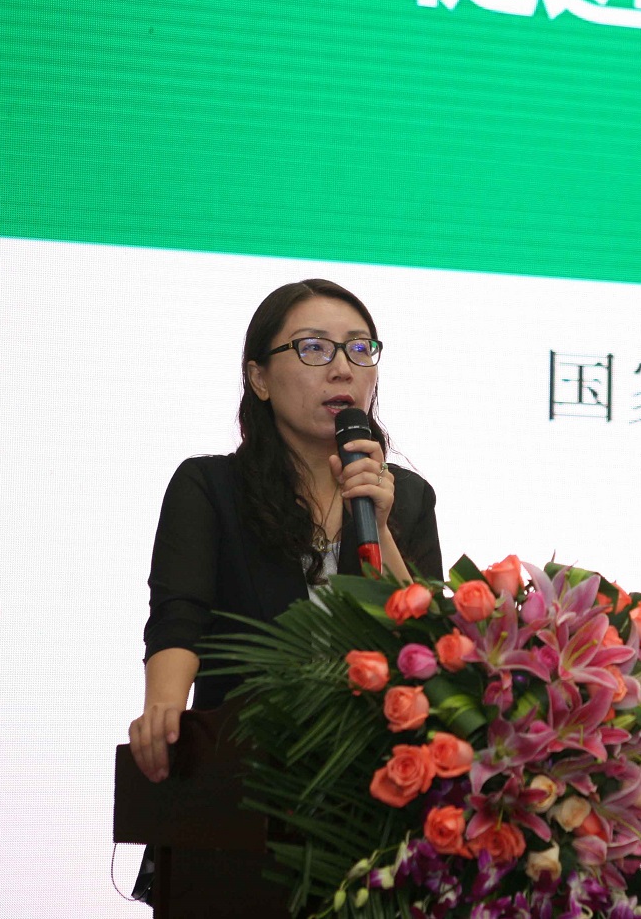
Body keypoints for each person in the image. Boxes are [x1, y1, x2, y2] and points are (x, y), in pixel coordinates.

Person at [127, 279, 442, 784]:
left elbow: (428, 652)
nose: (342, 368)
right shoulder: (210, 487)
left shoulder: (408, 496)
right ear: (260, 379)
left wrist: (380, 529)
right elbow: (179, 616)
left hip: (371, 783)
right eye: (313, 348)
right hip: (243, 773)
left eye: (359, 349)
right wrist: (163, 710)